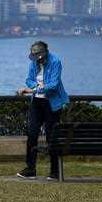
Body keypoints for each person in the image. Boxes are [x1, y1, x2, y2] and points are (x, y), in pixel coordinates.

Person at [16, 41, 69, 180]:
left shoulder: (55, 61)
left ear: (44, 53)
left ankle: (55, 171)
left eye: (37, 56)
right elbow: (29, 79)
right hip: (37, 102)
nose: (35, 59)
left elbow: (53, 84)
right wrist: (34, 87)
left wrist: (32, 89)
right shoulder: (33, 63)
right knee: (32, 134)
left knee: (52, 136)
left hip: (51, 103)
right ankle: (30, 169)